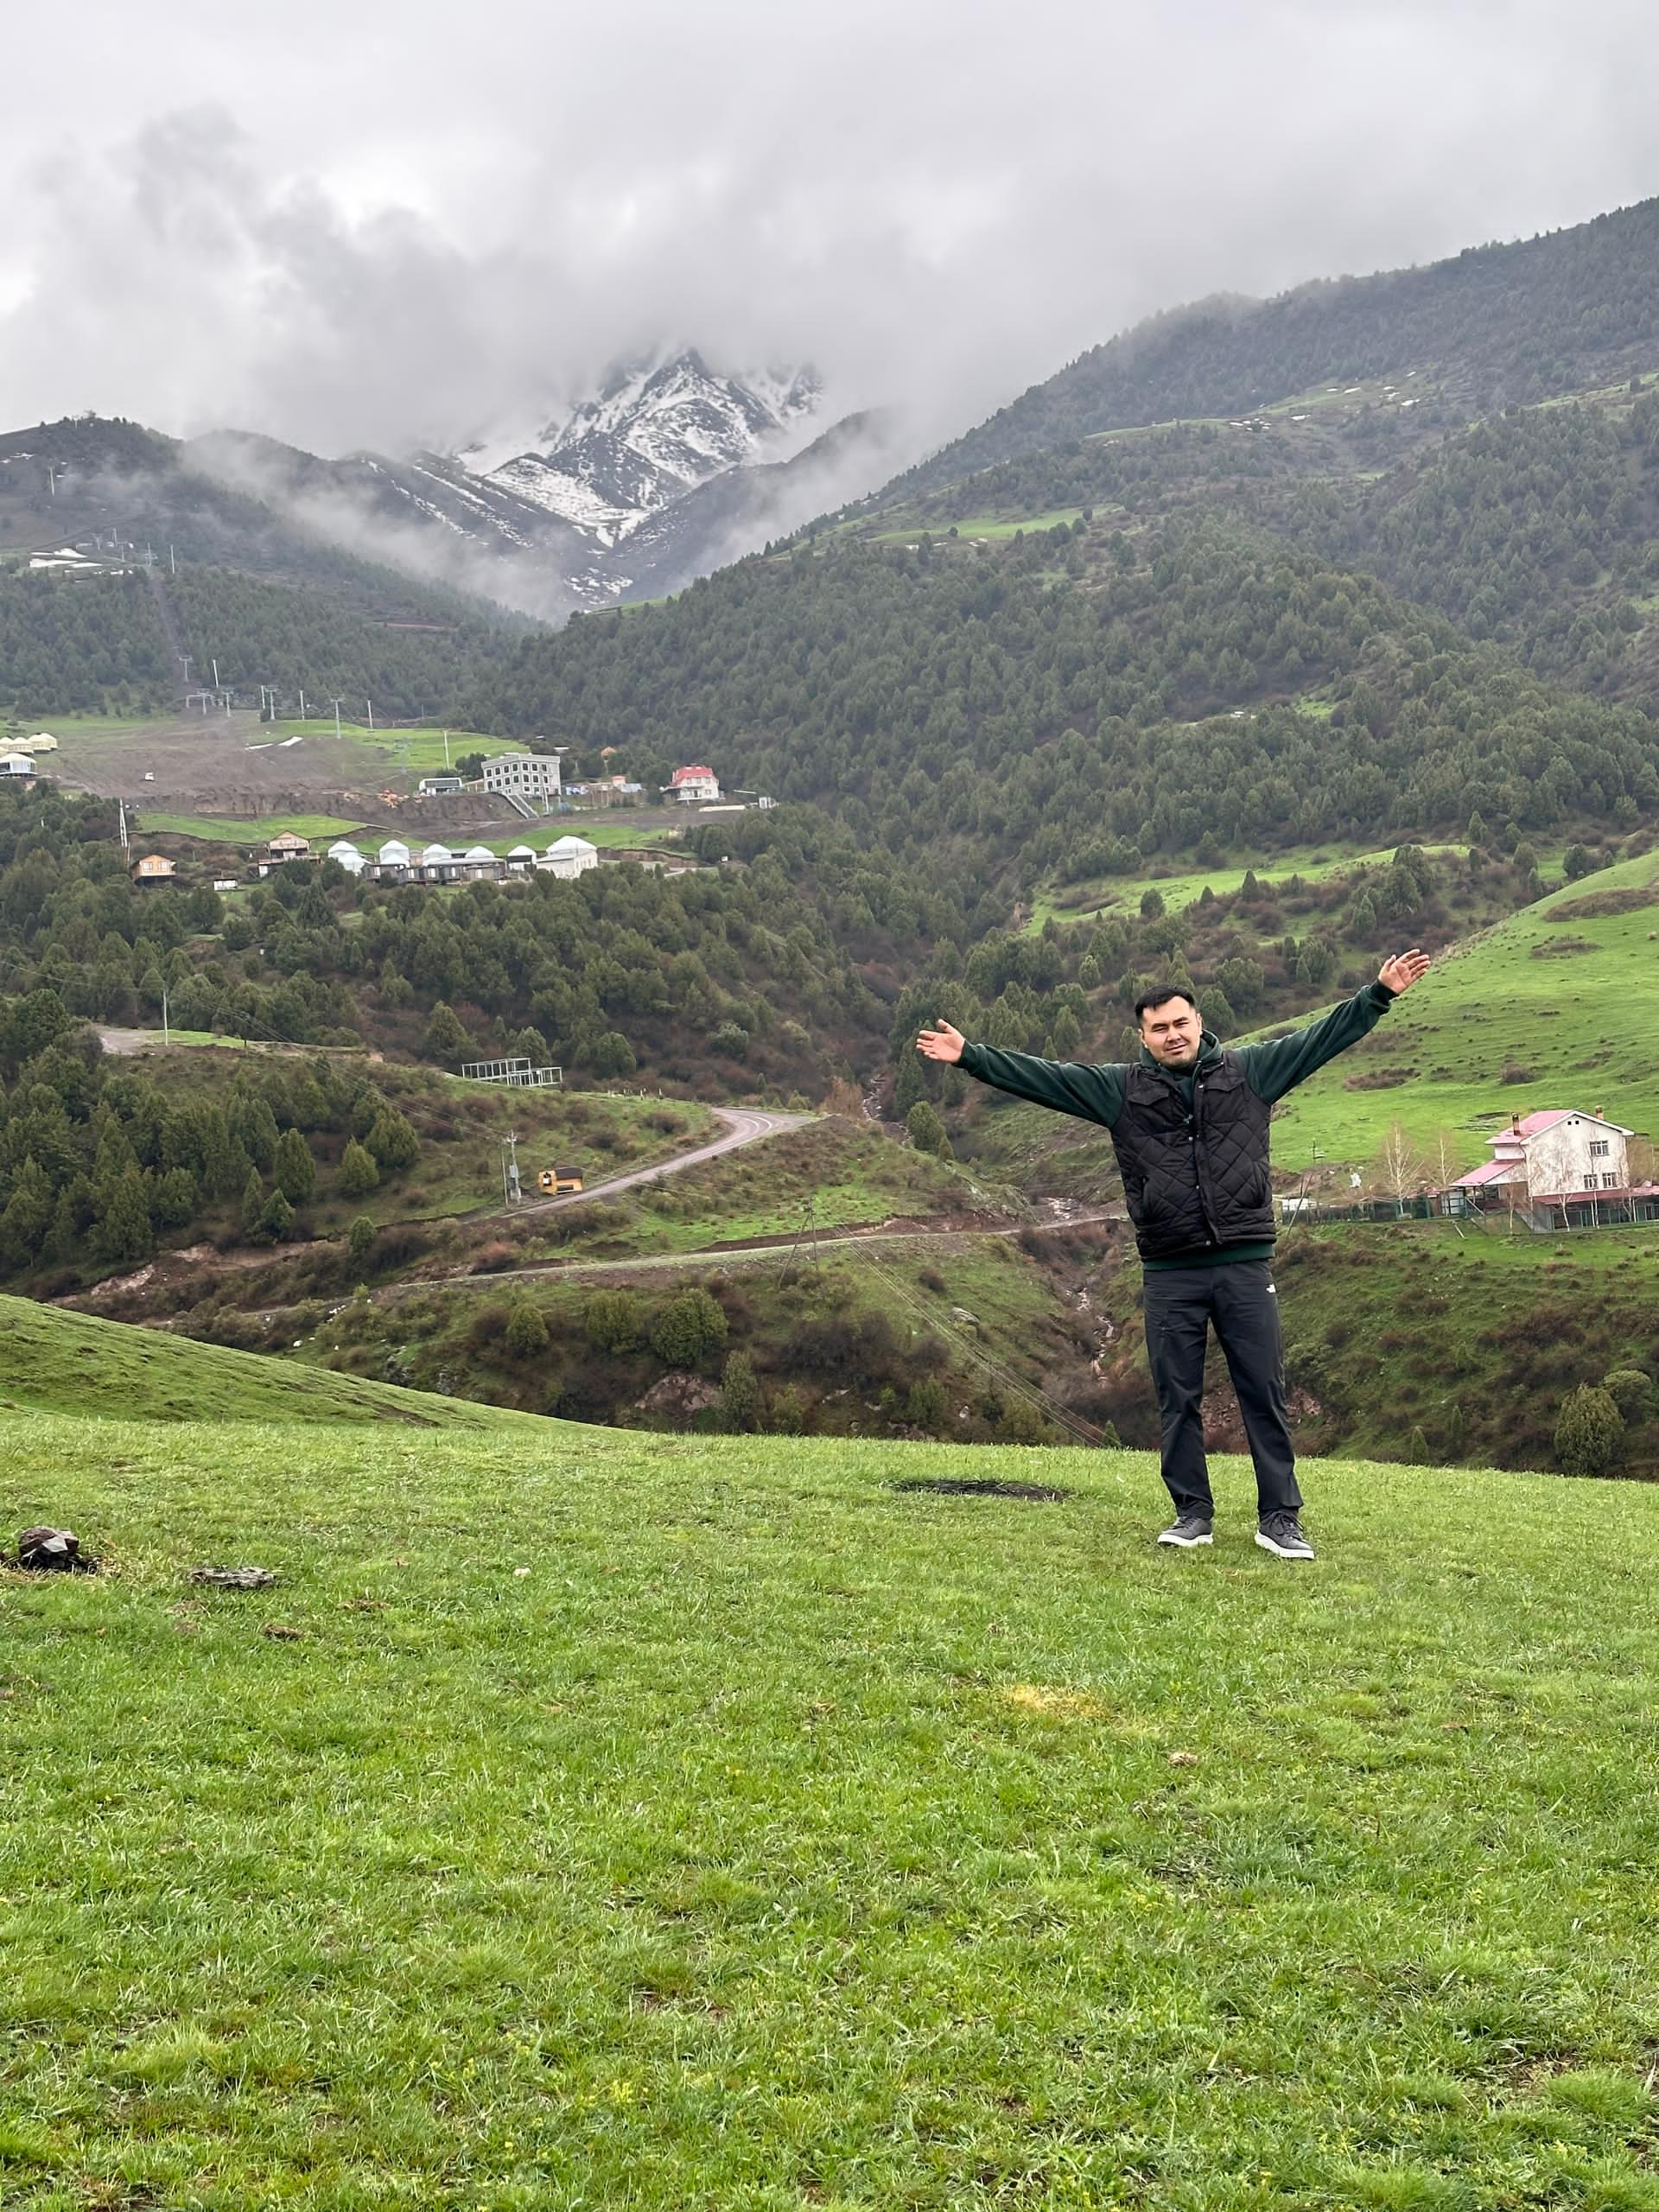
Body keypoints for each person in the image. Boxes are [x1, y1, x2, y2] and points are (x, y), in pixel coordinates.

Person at [916, 950, 1430, 1560]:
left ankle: (1280, 1519)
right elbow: (1045, 1077)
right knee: (1177, 1397)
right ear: (1143, 1037)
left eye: (1180, 1023)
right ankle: (1192, 1514)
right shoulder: (1118, 1091)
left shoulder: (1252, 1073)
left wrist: (1378, 994)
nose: (1172, 1034)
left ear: (1198, 1021)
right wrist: (972, 1055)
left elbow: (1317, 1040)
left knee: (1263, 1391)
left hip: (1243, 1264)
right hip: (1169, 1272)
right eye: (1158, 1028)